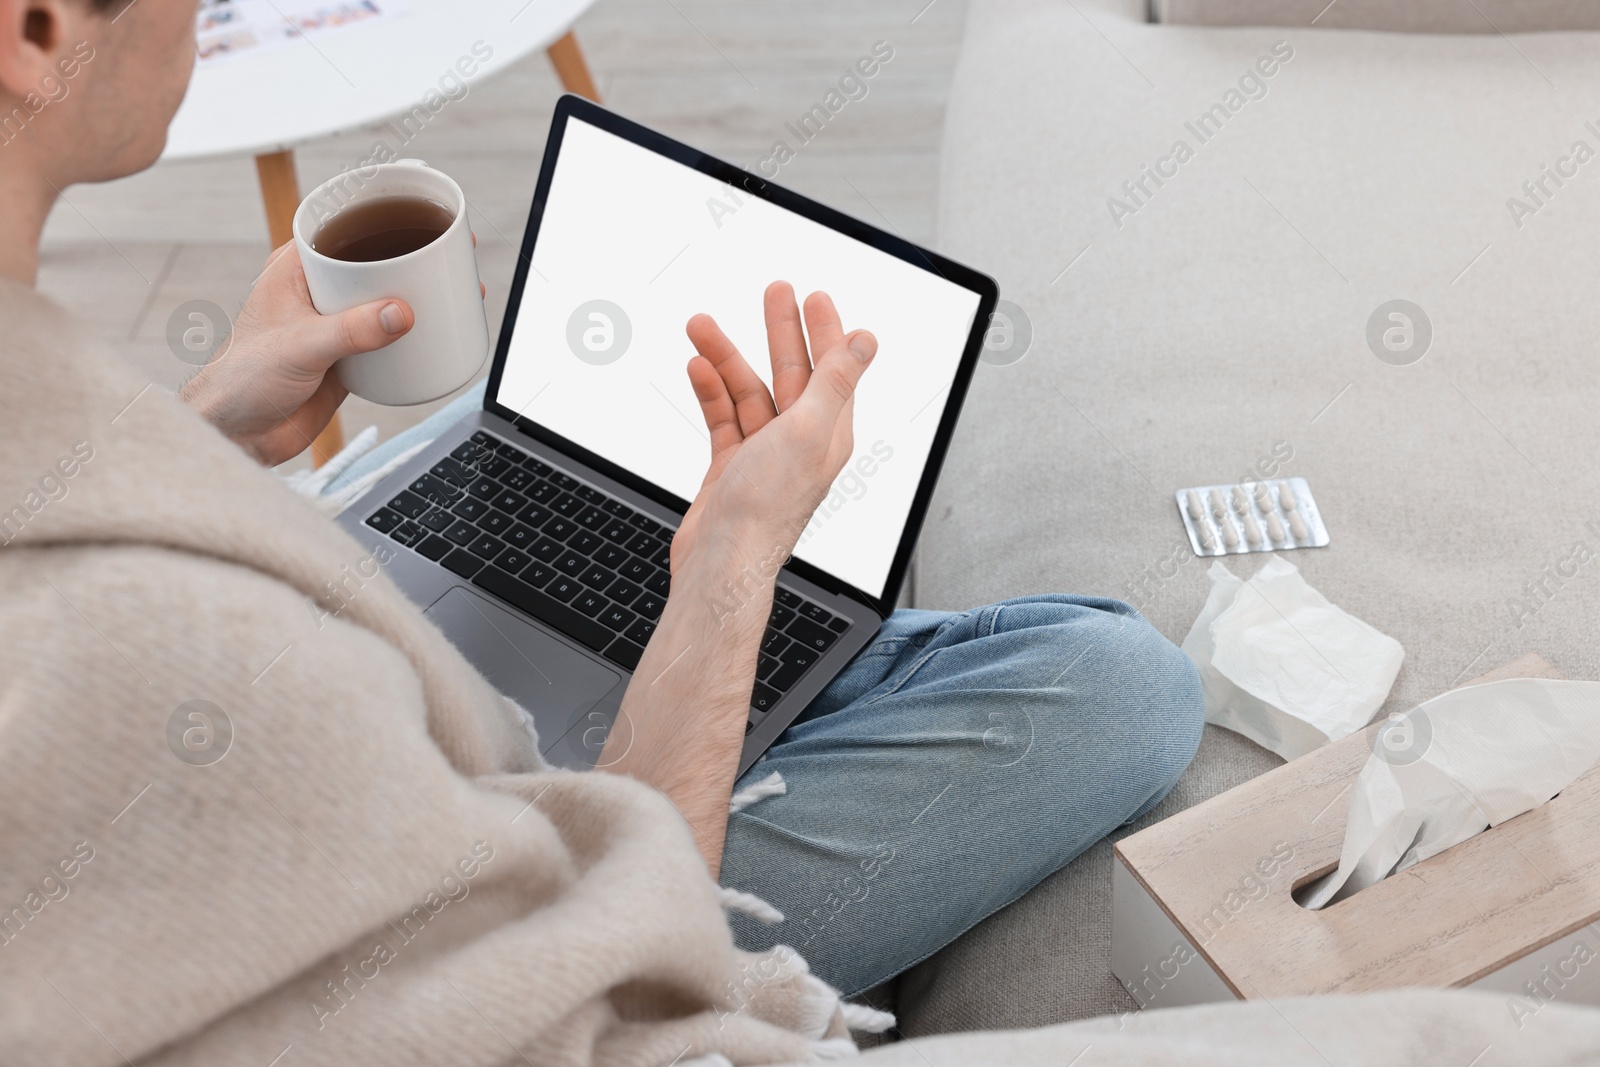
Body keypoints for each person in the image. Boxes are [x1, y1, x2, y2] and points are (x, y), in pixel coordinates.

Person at [0, 0, 1205, 1062]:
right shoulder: (149, 649)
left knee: (516, 423)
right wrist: (725, 574)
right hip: (495, 856)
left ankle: (783, 634)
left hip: (345, 673)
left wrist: (210, 422)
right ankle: (777, 641)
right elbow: (616, 980)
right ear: (34, 25)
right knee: (1119, 687)